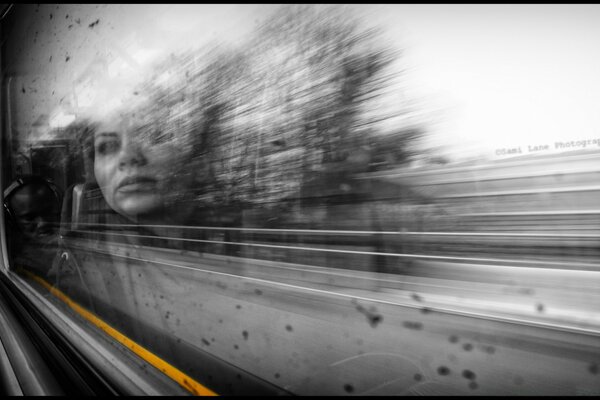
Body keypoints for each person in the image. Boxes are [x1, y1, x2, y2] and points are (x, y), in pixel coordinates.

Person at [3, 175, 62, 273]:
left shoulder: (68, 245)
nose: (42, 223)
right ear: (11, 220)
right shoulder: (18, 266)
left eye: (48, 211)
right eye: (29, 218)